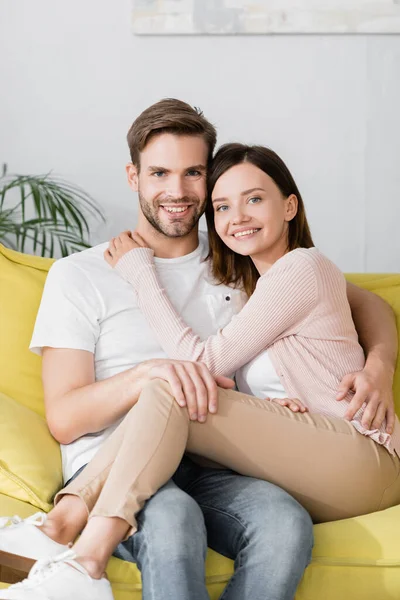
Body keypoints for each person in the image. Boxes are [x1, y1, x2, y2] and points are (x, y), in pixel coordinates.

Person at [0, 100, 397, 600]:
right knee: (173, 516)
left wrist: (378, 367)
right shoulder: (81, 273)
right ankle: (75, 543)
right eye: (160, 172)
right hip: (116, 462)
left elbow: (366, 303)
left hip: (220, 461)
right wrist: (148, 375)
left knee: (283, 523)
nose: (177, 190)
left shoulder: (242, 258)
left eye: (193, 173)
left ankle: (65, 538)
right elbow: (64, 417)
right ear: (133, 176)